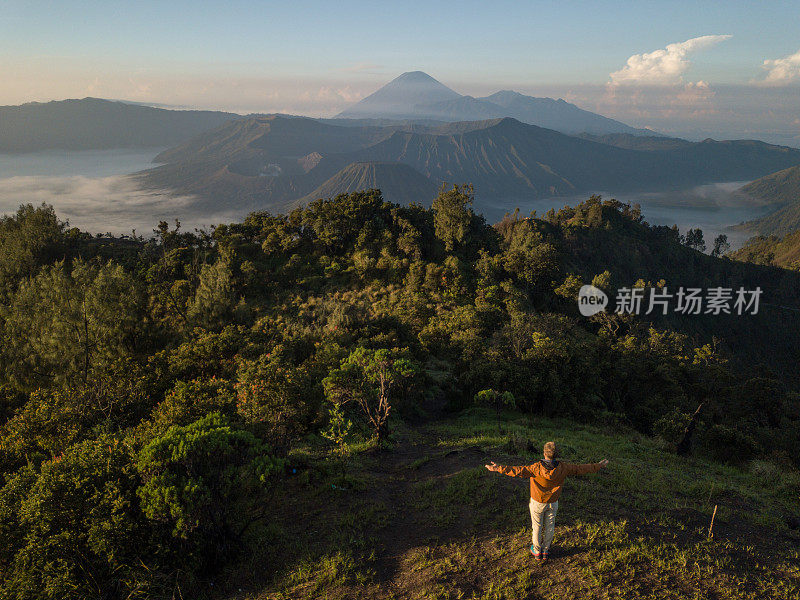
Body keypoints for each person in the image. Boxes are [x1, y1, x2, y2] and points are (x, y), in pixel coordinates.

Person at [485, 441, 608, 561]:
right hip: (553, 502)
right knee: (550, 526)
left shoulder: (536, 467)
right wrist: (599, 465)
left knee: (537, 526)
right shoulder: (563, 467)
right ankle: (545, 550)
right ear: (557, 454)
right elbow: (580, 468)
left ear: (544, 453)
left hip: (537, 502)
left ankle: (537, 551)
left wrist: (498, 468)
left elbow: (517, 471)